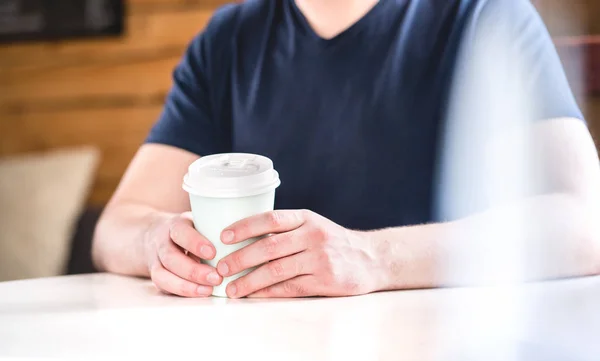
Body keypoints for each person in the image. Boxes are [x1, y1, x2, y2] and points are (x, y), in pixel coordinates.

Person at [92, 0, 600, 298]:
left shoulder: (486, 16)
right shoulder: (228, 40)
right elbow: (117, 226)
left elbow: (585, 223)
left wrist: (375, 258)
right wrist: (156, 242)